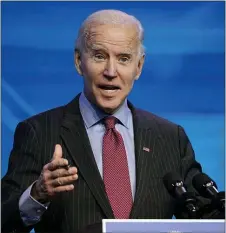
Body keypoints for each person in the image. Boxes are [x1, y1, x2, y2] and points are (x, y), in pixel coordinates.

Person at [1, 9, 215, 233]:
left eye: (123, 58)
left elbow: (203, 214)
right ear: (78, 61)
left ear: (139, 67)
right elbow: (4, 220)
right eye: (99, 56)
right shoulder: (39, 131)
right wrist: (37, 194)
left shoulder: (171, 138)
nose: (111, 71)